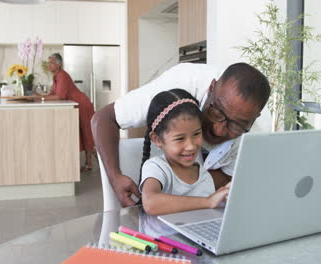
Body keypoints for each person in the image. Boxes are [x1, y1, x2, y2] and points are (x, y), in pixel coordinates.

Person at [92, 62, 271, 207]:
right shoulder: (179, 83)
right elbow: (103, 118)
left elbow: (223, 178)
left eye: (236, 126)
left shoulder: (256, 132)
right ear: (211, 88)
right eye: (216, 113)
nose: (218, 130)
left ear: (254, 119)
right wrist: (115, 177)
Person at [139, 89, 230, 216]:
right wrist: (208, 201)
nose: (191, 146)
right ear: (157, 139)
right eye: (180, 138)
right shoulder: (156, 167)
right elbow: (150, 203)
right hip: (161, 236)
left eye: (196, 134)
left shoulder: (203, 175)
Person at [39, 53, 96, 172]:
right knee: (81, 133)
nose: (49, 65)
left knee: (86, 133)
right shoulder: (56, 76)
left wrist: (41, 98)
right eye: (48, 62)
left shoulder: (62, 76)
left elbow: (60, 96)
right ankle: (89, 163)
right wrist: (40, 96)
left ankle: (90, 164)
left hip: (82, 105)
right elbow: (52, 93)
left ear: (59, 64)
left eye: (52, 63)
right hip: (76, 105)